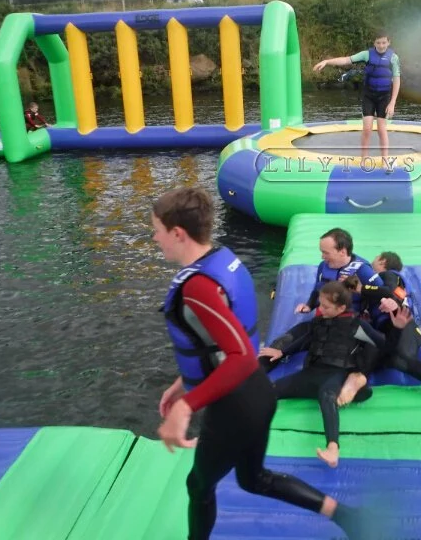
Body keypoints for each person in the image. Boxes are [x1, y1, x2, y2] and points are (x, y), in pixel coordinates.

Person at [152, 187, 371, 539]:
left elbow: (237, 355)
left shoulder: (198, 287)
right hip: (256, 393)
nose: (155, 238)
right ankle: (345, 515)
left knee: (198, 486)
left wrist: (186, 407)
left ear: (177, 233)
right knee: (253, 479)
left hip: (233, 405)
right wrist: (183, 382)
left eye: (157, 230)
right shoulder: (222, 258)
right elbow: (218, 342)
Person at [259, 280, 410, 469]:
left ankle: (333, 448)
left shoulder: (357, 326)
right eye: (321, 304)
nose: (320, 309)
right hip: (311, 373)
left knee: (326, 396)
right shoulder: (319, 321)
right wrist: (282, 352)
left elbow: (385, 347)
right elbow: (306, 339)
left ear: (341, 308)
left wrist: (397, 329)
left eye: (325, 306)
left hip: (337, 373)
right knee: (271, 389)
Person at [337, 255, 421, 427]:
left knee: (402, 358)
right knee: (381, 351)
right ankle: (358, 377)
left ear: (383, 261)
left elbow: (389, 292)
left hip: (404, 325)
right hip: (386, 330)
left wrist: (362, 288)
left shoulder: (388, 275)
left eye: (374, 261)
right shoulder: (372, 291)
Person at [312, 30, 401, 158]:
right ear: (374, 43)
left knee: (382, 129)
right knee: (367, 128)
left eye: (384, 42)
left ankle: (385, 159)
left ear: (388, 42)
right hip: (368, 95)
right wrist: (327, 61)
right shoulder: (367, 55)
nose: (381, 45)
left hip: (384, 96)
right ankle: (364, 158)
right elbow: (346, 60)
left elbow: (397, 79)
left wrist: (392, 102)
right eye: (378, 42)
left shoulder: (394, 58)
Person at [294, 227, 384, 316]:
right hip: (325, 316)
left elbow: (383, 292)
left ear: (342, 252)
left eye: (326, 253)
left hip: (350, 320)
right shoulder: (323, 266)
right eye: (322, 252)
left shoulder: (363, 270)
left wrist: (361, 289)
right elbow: (317, 290)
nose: (322, 257)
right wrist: (309, 306)